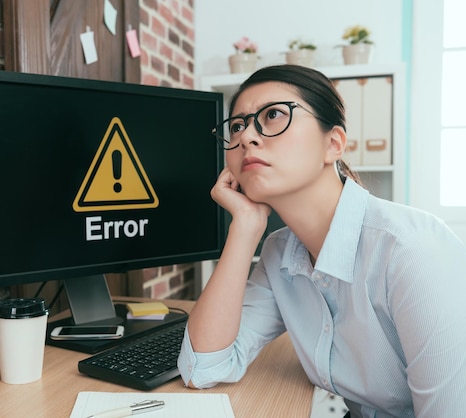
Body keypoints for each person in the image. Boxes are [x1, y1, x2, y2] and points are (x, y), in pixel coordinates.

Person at [177, 64, 466, 418]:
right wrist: (246, 226)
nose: (248, 137)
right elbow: (204, 368)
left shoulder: (412, 251)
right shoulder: (279, 252)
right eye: (237, 126)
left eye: (273, 116)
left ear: (333, 144)